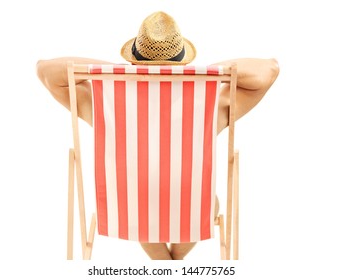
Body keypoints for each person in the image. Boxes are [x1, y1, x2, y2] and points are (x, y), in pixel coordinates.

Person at [36, 11, 279, 260]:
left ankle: (162, 263)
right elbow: (269, 70)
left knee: (140, 198)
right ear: (182, 61)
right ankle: (176, 262)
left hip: (132, 210)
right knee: (204, 203)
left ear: (134, 59)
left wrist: (110, 73)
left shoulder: (106, 102)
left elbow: (45, 69)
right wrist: (210, 75)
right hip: (192, 207)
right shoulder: (210, 103)